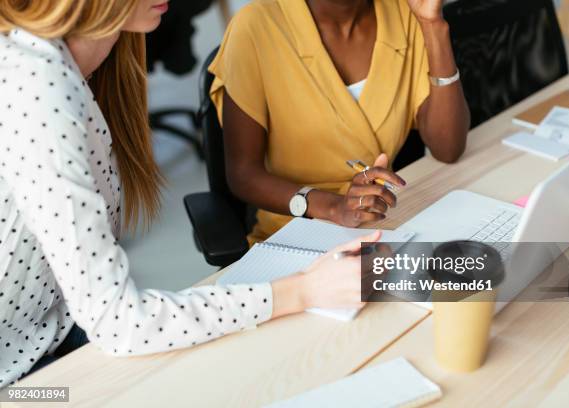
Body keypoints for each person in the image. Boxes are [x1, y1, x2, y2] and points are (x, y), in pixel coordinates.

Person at [0, 0, 378, 388]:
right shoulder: (36, 85)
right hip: (18, 379)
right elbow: (120, 323)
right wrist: (305, 290)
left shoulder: (83, 64)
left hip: (55, 332)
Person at [210, 0, 470, 245]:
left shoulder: (403, 12)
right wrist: (335, 207)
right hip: (294, 234)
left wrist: (433, 25)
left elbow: (448, 148)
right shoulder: (255, 26)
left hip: (384, 225)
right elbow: (243, 174)